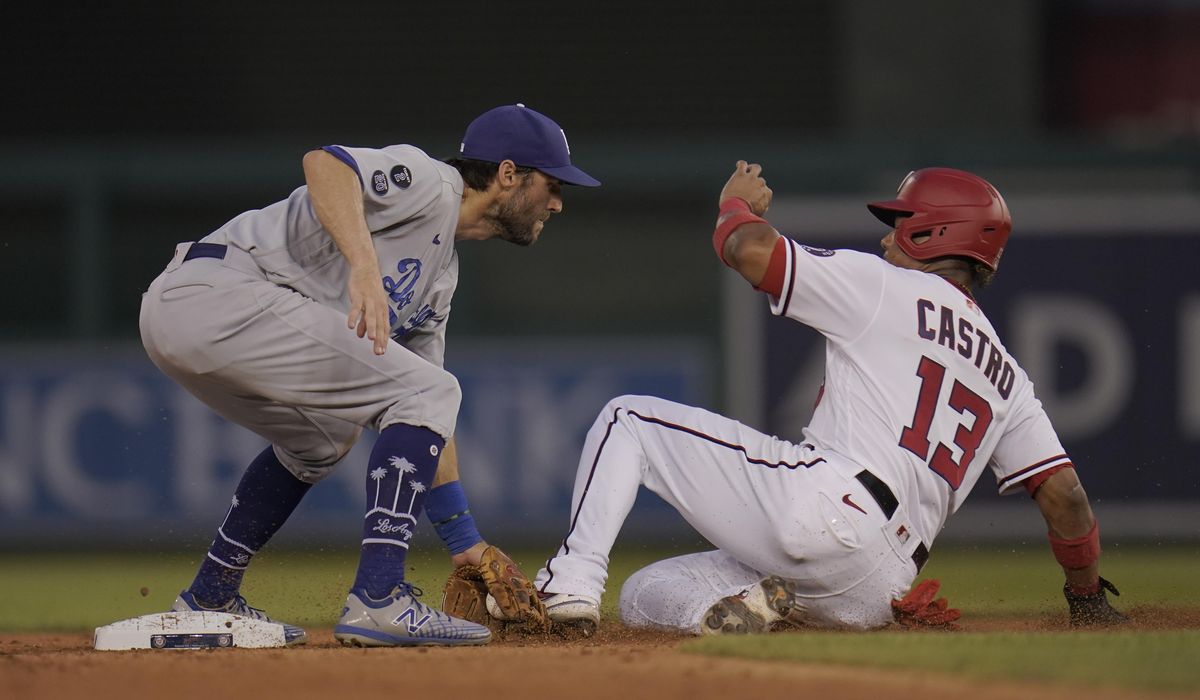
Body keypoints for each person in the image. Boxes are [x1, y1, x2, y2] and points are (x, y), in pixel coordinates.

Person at [526, 162, 1125, 635]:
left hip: (829, 507)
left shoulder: (885, 285)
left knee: (627, 419)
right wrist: (1086, 597)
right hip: (878, 588)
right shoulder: (1007, 375)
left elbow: (748, 250)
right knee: (644, 594)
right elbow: (1067, 499)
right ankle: (746, 612)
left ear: (934, 231)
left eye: (902, 221)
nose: (888, 236)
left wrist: (735, 204)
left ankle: (568, 587)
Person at [139, 104, 600, 647]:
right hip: (213, 292)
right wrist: (362, 265)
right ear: (506, 174)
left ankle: (208, 597)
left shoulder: (439, 280)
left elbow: (430, 414)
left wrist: (465, 543)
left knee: (326, 437)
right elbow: (325, 164)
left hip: (200, 319)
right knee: (427, 393)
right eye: (551, 183)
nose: (558, 201)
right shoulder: (430, 182)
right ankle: (378, 599)